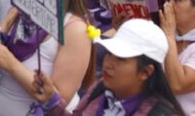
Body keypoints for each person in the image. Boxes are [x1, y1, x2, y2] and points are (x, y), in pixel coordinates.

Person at [31, 19, 184, 115]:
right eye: (109, 54)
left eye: (120, 58)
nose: (109, 63)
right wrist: (52, 102)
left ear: (145, 72)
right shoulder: (100, 89)